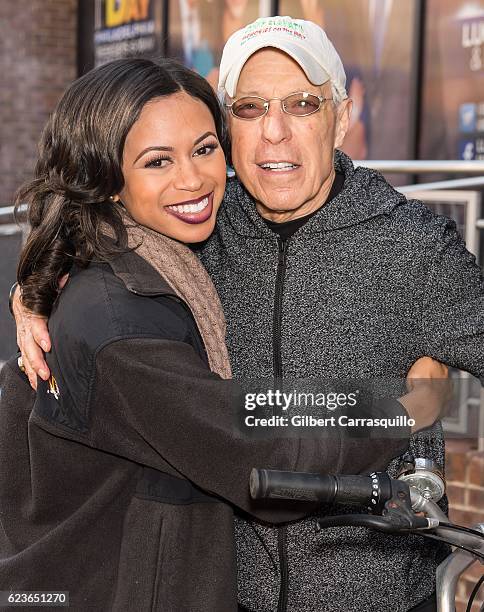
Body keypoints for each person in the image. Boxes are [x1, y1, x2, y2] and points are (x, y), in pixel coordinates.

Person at [11, 16, 481, 612]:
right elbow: (95, 238)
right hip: (228, 593)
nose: (275, 133)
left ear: (340, 119)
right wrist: (32, 291)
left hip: (381, 596)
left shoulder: (411, 245)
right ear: (230, 127)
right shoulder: (198, 224)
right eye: (251, 108)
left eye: (303, 105)